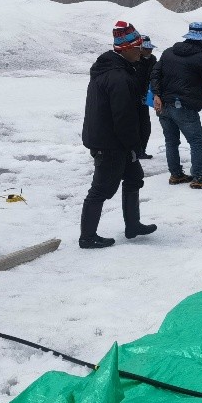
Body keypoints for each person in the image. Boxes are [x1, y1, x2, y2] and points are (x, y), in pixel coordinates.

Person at [78, 21, 157, 248]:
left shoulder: (115, 70)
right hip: (111, 143)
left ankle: (133, 225)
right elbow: (124, 116)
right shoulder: (118, 77)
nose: (141, 52)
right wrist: (134, 145)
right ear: (127, 48)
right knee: (101, 189)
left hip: (112, 140)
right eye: (138, 48)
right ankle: (87, 237)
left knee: (134, 178)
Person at [151, 21, 202, 189]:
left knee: (171, 141)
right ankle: (199, 178)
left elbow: (155, 74)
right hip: (184, 107)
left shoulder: (168, 53)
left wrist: (157, 94)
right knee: (197, 142)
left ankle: (176, 175)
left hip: (164, 105)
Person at [134, 35, 157, 160]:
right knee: (134, 125)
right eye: (146, 49)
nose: (149, 51)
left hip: (146, 97)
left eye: (150, 48)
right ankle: (134, 151)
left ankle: (141, 151)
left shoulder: (153, 60)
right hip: (132, 98)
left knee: (145, 126)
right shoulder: (133, 61)